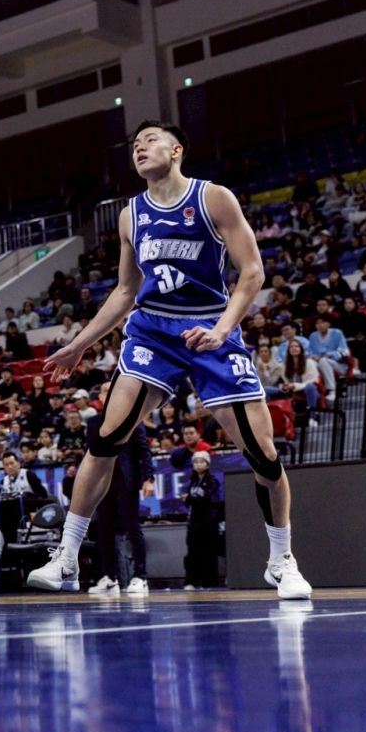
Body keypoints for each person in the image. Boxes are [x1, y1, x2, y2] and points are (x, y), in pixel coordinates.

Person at [27, 121, 312, 600]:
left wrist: (222, 330)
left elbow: (252, 272)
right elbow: (124, 291)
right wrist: (80, 344)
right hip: (153, 330)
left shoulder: (213, 198)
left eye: (150, 140)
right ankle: (67, 557)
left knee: (263, 456)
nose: (139, 148)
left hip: (209, 328)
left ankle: (282, 558)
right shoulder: (129, 215)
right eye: (134, 145)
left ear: (177, 149)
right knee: (108, 437)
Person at [84, 418, 153, 598]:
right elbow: (90, 453)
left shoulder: (133, 419)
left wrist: (149, 477)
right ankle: (110, 577)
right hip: (103, 481)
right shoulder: (93, 423)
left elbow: (144, 449)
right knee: (104, 530)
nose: (107, 393)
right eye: (104, 390)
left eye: (110, 389)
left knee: (132, 527)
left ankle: (140, 576)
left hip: (126, 480)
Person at [182, 450, 223, 588]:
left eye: (202, 462)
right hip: (194, 522)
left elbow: (209, 500)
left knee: (208, 553)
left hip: (208, 522)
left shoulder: (213, 482)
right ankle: (192, 581)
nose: (199, 465)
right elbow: (191, 501)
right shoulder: (193, 482)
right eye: (196, 462)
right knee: (192, 553)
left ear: (207, 464)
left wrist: (190, 499)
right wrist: (187, 499)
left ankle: (209, 581)